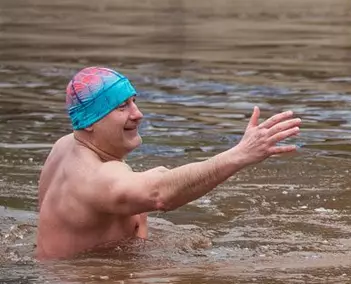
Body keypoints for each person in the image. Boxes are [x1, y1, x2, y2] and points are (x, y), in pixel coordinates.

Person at [35, 67, 302, 261]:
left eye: (133, 102)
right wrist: (239, 154)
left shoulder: (66, 146)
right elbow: (159, 194)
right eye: (121, 107)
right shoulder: (97, 178)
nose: (137, 114)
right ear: (90, 122)